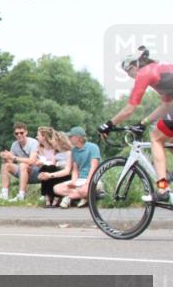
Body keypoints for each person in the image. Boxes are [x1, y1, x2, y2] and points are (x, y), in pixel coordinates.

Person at [99, 46, 173, 205]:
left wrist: (108, 124)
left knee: (156, 138)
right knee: (168, 138)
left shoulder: (144, 73)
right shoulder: (159, 69)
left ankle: (162, 189)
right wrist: (143, 123)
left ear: (133, 66)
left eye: (128, 72)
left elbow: (130, 109)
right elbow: (166, 106)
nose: (130, 76)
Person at [53, 126, 101, 209]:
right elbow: (75, 170)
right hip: (80, 180)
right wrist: (73, 182)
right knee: (57, 188)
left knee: (85, 189)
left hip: (93, 179)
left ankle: (68, 198)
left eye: (71, 137)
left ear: (78, 138)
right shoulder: (74, 151)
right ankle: (84, 196)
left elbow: (94, 167)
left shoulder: (93, 147)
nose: (69, 138)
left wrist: (88, 182)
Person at [0, 122, 40, 201]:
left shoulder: (33, 142)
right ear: (14, 135)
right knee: (5, 166)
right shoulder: (14, 145)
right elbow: (10, 162)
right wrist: (5, 157)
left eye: (21, 133)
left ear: (26, 132)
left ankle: (21, 195)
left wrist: (13, 157)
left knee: (23, 165)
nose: (19, 135)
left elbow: (32, 161)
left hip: (37, 171)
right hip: (23, 171)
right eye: (17, 133)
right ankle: (4, 194)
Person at [36, 128, 72, 208]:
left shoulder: (69, 153)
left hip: (65, 174)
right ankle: (47, 197)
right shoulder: (56, 153)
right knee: (46, 168)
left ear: (59, 141)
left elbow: (67, 170)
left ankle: (55, 198)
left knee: (50, 170)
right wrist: (43, 172)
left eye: (53, 139)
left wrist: (50, 174)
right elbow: (52, 164)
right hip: (57, 172)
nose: (51, 141)